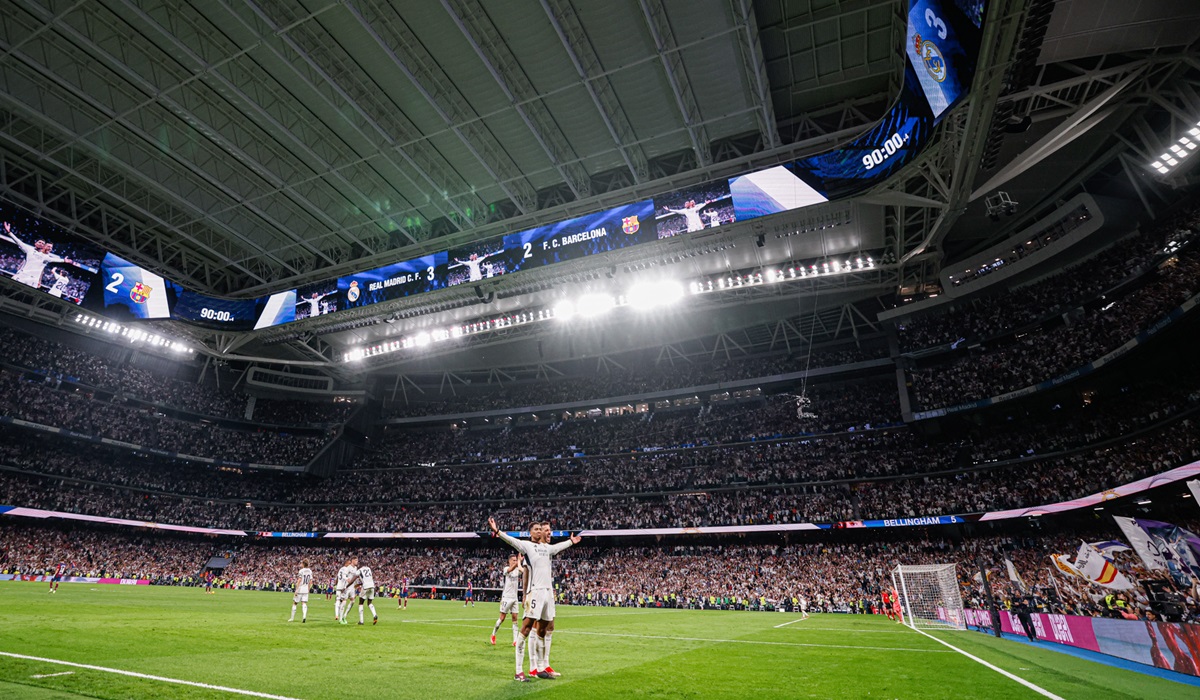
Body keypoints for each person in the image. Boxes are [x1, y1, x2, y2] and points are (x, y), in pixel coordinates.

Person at [489, 517, 581, 682]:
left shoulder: (547, 548)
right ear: (531, 533)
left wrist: (571, 542)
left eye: (541, 529)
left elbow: (558, 548)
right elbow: (511, 541)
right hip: (535, 592)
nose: (540, 531)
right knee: (526, 629)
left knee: (542, 630)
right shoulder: (527, 546)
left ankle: (539, 668)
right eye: (536, 529)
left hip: (547, 593)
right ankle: (518, 671)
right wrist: (497, 531)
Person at [0, 221, 85, 290]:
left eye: (43, 243)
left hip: (33, 280)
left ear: (44, 246)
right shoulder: (29, 250)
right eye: (39, 242)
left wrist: (64, 260)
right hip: (22, 276)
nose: (41, 244)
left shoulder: (45, 257)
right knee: (8, 289)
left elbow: (54, 260)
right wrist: (9, 232)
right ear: (35, 243)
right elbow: (18, 242)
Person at [491, 554, 526, 646]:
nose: (515, 562)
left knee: (515, 619)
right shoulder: (506, 569)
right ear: (509, 561)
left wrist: (520, 561)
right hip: (506, 597)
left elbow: (522, 570)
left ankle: (515, 641)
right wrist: (518, 561)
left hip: (514, 598)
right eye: (513, 560)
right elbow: (510, 569)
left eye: (515, 560)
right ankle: (493, 634)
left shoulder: (517, 571)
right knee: (502, 618)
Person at [335, 557, 360, 625]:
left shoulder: (355, 568)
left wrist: (357, 585)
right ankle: (340, 619)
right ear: (352, 561)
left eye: (357, 560)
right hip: (346, 587)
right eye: (356, 560)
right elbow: (344, 575)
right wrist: (346, 581)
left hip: (352, 587)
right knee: (344, 602)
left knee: (353, 601)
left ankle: (344, 616)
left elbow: (355, 577)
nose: (357, 561)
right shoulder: (347, 568)